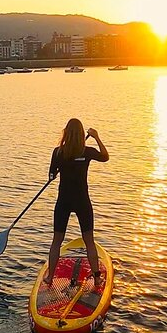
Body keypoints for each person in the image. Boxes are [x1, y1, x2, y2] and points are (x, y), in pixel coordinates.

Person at [44, 118, 109, 288]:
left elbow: (51, 175)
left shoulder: (58, 152)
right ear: (82, 135)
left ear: (66, 133)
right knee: (89, 240)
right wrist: (96, 137)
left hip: (64, 201)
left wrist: (55, 173)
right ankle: (96, 278)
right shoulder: (86, 151)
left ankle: (50, 277)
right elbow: (105, 157)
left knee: (56, 240)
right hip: (82, 201)